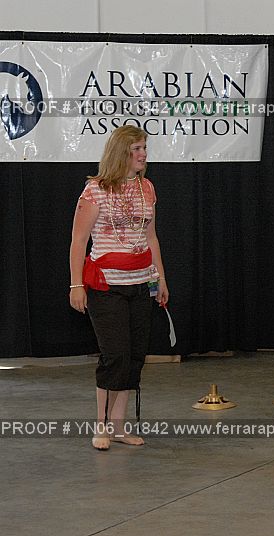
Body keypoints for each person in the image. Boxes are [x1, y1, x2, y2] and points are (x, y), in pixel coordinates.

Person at [68, 125, 168, 451]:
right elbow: (78, 241)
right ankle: (101, 426)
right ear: (121, 153)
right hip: (106, 286)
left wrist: (160, 279)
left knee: (135, 356)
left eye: (144, 148)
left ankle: (118, 426)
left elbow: (151, 238)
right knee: (115, 355)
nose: (143, 154)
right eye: (136, 149)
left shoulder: (146, 188)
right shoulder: (95, 190)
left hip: (141, 284)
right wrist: (76, 285)